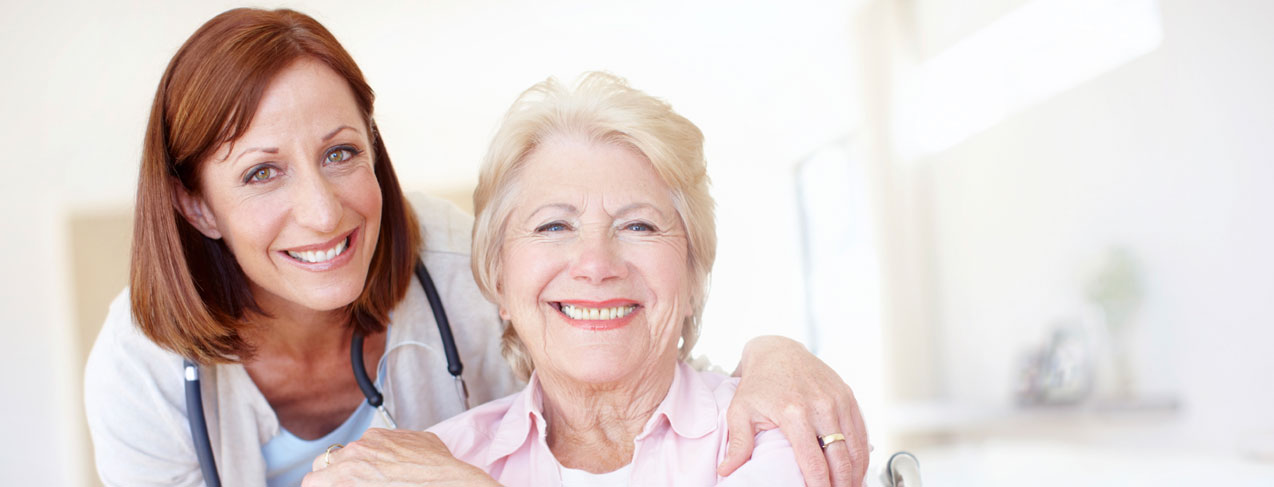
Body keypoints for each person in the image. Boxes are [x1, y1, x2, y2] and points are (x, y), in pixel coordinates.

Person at [83, 8, 867, 487]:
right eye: (261, 172)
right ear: (194, 202)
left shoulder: (453, 263)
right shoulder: (140, 373)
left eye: (341, 152)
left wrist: (771, 353)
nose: (322, 211)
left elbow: (606, 353)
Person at [308, 72, 817, 486]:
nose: (596, 264)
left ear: (692, 274)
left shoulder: (771, 433)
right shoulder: (438, 461)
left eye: (638, 225)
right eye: (554, 226)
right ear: (499, 283)